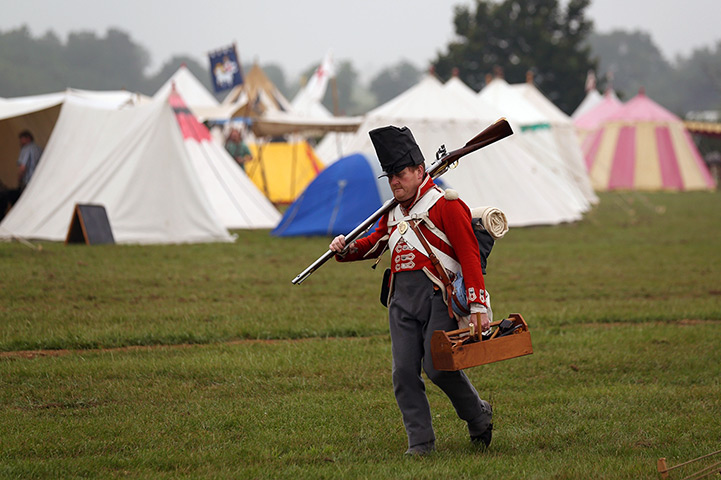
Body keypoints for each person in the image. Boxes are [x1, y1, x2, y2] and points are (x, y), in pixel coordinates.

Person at [329, 125, 493, 456]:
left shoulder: (446, 204)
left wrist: (477, 306)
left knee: (438, 368)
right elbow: (373, 244)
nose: (394, 181)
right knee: (403, 373)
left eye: (400, 173)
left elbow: (469, 256)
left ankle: (479, 416)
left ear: (420, 170)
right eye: (390, 176)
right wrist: (345, 248)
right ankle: (420, 443)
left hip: (438, 299)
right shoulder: (390, 212)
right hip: (400, 301)